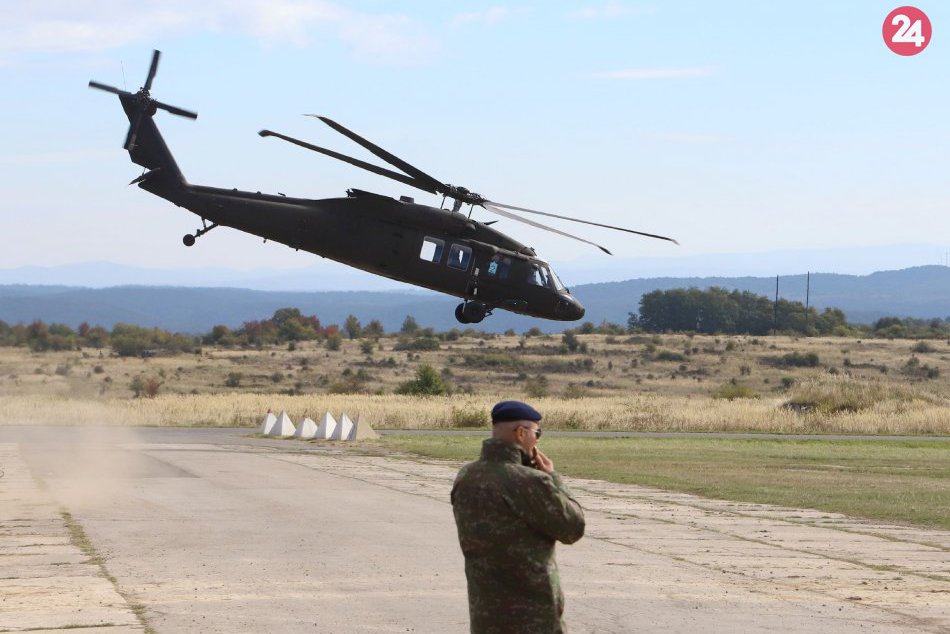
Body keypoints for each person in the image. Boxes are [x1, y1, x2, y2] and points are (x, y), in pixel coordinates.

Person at [451, 400, 586, 633]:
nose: (537, 439)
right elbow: (573, 526)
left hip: (485, 615)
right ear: (521, 433)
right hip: (533, 618)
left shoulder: (466, 476)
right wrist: (554, 479)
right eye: (537, 433)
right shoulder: (529, 482)